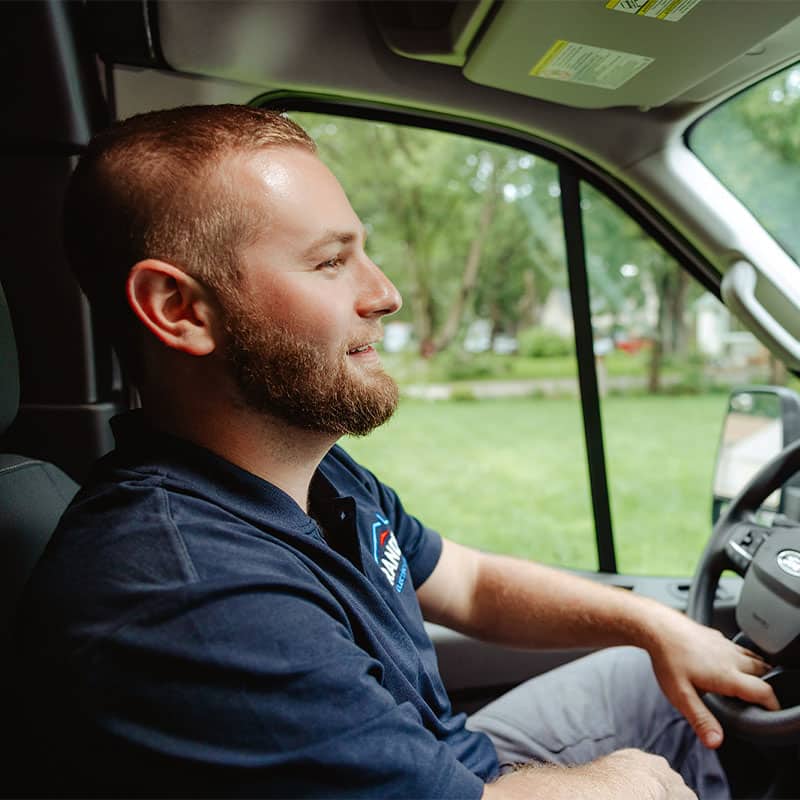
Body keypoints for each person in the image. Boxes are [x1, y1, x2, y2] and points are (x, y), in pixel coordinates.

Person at [15, 105, 778, 799]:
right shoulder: (185, 595)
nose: (384, 293)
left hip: (449, 761)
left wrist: (654, 624)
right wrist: (626, 781)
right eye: (329, 261)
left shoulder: (301, 473)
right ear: (180, 309)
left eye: (365, 253)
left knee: (648, 673)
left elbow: (470, 585)